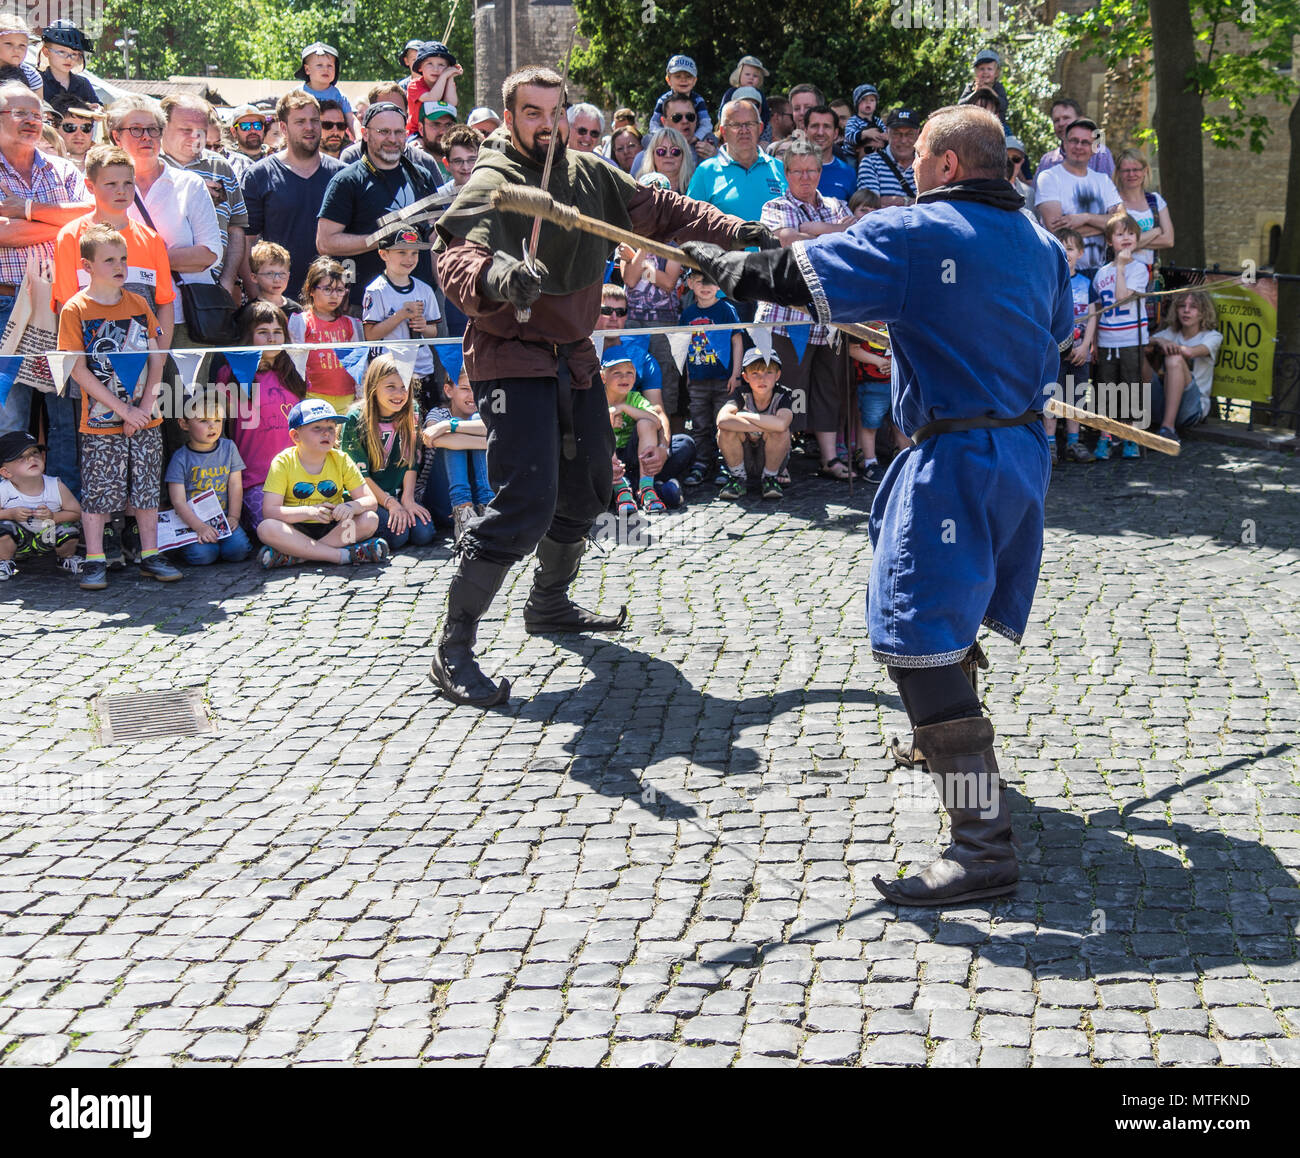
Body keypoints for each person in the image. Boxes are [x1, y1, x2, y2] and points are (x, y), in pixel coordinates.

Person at [683, 104, 1075, 907]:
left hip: (956, 457)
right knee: (952, 599)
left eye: (922, 158)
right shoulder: (1043, 244)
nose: (914, 174)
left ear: (945, 166)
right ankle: (948, 754)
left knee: (917, 633)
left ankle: (981, 842)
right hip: (1022, 451)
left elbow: (801, 276)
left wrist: (730, 266)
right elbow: (1052, 334)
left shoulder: (920, 232)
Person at [431, 64, 763, 707]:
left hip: (575, 355)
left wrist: (737, 233)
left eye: (556, 113)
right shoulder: (492, 180)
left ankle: (548, 604)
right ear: (509, 116)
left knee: (587, 491)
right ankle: (455, 648)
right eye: (533, 113)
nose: (548, 126)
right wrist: (500, 281)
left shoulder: (586, 173)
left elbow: (662, 207)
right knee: (525, 501)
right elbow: (456, 262)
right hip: (511, 355)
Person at [59, 222, 183, 590]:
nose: (120, 265)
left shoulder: (139, 304)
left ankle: (150, 554)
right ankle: (95, 558)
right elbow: (78, 370)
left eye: (123, 258)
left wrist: (143, 407)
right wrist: (123, 410)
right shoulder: (75, 309)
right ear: (87, 265)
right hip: (100, 421)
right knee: (99, 491)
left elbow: (156, 358)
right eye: (109, 259)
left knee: (145, 487)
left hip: (146, 417)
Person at [0, 81, 90, 494]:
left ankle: (67, 515)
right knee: (9, 417)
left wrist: (26, 215)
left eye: (37, 114)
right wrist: (55, 224)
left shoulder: (66, 170)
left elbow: (86, 220)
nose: (32, 121)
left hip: (61, 309)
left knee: (65, 418)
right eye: (20, 113)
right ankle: (10, 517)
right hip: (5, 306)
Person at [755, 135, 854, 481]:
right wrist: (831, 235)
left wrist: (813, 231)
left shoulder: (836, 204)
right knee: (785, 391)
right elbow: (785, 240)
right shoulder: (774, 207)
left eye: (812, 170)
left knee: (828, 388)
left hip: (830, 317)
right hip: (787, 317)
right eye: (798, 171)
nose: (806, 177)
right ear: (786, 173)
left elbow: (853, 241)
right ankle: (778, 462)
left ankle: (829, 459)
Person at [108, 96, 221, 350]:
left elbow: (210, 253)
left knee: (182, 391)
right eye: (136, 129)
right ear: (116, 137)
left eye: (153, 129)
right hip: (121, 316)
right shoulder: (104, 187)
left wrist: (136, 260)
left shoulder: (189, 184)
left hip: (184, 316)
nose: (146, 137)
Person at [317, 101, 439, 312]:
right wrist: (380, 238)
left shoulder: (422, 176)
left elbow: (435, 236)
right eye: (383, 132)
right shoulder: (347, 181)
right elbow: (325, 242)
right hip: (366, 304)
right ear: (365, 133)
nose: (392, 139)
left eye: (399, 132)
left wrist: (442, 286)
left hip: (423, 300)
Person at [52, 146, 175, 344]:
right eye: (111, 183)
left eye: (128, 183)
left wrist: (159, 358)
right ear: (90, 186)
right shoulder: (69, 236)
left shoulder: (151, 239)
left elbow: (165, 304)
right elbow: (64, 305)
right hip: (90, 360)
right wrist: (78, 365)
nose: (121, 190)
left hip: (143, 359)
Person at [257, 397, 388, 568]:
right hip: (296, 528)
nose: (326, 433)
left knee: (369, 519)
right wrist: (309, 512)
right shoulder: (283, 462)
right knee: (266, 528)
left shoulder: (341, 459)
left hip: (334, 528)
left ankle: (299, 555)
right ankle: (341, 555)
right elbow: (270, 511)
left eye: (331, 428)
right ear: (296, 436)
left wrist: (351, 507)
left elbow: (369, 501)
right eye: (317, 428)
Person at [240, 91, 344, 299]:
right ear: (283, 128)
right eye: (300, 121)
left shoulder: (342, 175)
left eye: (315, 121)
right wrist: (257, 298)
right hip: (279, 299)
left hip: (331, 302)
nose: (309, 127)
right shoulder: (259, 175)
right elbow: (246, 243)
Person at [224, 302, 306, 532]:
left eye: (277, 332)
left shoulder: (296, 372)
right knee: (271, 528)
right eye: (263, 332)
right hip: (255, 478)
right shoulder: (230, 374)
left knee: (313, 521)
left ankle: (302, 551)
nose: (272, 339)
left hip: (298, 474)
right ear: (248, 336)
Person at [340, 354, 436, 551]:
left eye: (404, 387)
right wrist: (390, 503)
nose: (399, 394)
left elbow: (411, 461)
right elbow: (359, 476)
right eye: (390, 387)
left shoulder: (412, 410)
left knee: (423, 534)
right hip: (367, 498)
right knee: (398, 536)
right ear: (374, 387)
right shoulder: (355, 418)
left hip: (398, 493)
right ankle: (361, 540)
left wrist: (407, 499)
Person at [161, 96, 247, 304]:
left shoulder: (220, 166)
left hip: (211, 293)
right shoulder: (148, 166)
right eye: (186, 129)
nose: (195, 137)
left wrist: (227, 282)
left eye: (201, 130)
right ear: (162, 126)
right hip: (160, 288)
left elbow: (236, 228)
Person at [164, 391, 254, 565]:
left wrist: (234, 516)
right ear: (184, 424)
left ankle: (222, 544)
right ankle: (188, 549)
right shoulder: (180, 458)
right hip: (193, 523)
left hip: (224, 519)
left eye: (217, 420)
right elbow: (178, 501)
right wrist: (199, 527)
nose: (212, 426)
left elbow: (235, 485)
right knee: (203, 556)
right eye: (204, 420)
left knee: (238, 550)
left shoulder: (229, 448)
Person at [1090, 212, 1149, 461]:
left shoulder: (1139, 269)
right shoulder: (1101, 273)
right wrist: (1093, 342)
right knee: (1106, 389)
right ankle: (1106, 435)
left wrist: (1122, 267)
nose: (1126, 238)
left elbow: (1123, 296)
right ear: (1109, 241)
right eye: (1120, 234)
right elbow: (1097, 310)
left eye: (1131, 233)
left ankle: (1131, 438)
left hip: (1130, 339)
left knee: (1131, 387)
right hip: (1106, 340)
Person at [680, 265, 743, 488]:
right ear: (689, 284)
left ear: (719, 285)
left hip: (723, 378)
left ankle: (727, 463)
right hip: (697, 379)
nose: (705, 287)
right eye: (699, 281)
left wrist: (736, 374)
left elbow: (737, 341)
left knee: (724, 423)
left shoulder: (726, 310)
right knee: (700, 424)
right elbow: (684, 346)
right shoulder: (687, 314)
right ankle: (702, 462)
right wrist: (688, 375)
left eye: (710, 282)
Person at [1035, 118, 1122, 280]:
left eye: (1085, 142)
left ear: (1094, 148)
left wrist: (1084, 218)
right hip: (1062, 271)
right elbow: (1057, 232)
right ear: (1065, 144)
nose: (1079, 147)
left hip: (1099, 272)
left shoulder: (1103, 180)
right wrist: (1105, 228)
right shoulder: (1049, 178)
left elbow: (1121, 223)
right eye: (1074, 141)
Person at [601, 346, 684, 514]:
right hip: (606, 459)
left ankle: (645, 487)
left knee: (682, 442)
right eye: (617, 372)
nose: (624, 377)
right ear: (603, 376)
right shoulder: (597, 398)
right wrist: (606, 419)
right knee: (598, 427)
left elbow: (656, 420)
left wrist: (624, 408)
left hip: (636, 457)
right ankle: (623, 488)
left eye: (630, 372)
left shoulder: (634, 398)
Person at [362, 225, 440, 397]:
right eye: (402, 252)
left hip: (422, 369)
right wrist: (400, 315)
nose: (409, 259)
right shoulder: (376, 291)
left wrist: (423, 326)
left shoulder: (425, 290)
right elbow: (371, 335)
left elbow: (433, 331)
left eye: (415, 253)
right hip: (390, 373)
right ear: (384, 254)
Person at [686, 99, 786, 225]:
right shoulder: (705, 172)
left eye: (749, 124)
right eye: (736, 125)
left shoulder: (780, 168)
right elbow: (689, 223)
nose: (744, 130)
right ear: (723, 131)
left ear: (760, 128)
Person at [421, 369, 491, 544]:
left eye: (477, 387)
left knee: (472, 422)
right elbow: (432, 438)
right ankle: (462, 511)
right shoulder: (438, 414)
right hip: (443, 499)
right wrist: (488, 441)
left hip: (478, 494)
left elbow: (496, 431)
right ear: (449, 390)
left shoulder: (485, 414)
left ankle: (487, 508)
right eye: (465, 388)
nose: (473, 395)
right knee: (449, 442)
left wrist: (449, 426)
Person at [716, 347, 795, 501]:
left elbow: (781, 425)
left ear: (778, 375)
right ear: (745, 377)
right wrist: (766, 424)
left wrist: (744, 416)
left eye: (768, 372)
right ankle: (738, 478)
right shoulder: (740, 393)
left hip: (770, 458)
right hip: (743, 456)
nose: (762, 379)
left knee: (781, 432)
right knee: (725, 431)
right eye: (755, 373)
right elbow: (722, 420)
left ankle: (770, 479)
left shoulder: (784, 394)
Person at [0, 430, 82, 578]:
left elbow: (77, 512)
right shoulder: (4, 489)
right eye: (21, 457)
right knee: (3, 529)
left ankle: (65, 558)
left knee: (69, 531)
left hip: (47, 537)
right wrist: (10, 514)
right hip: (18, 542)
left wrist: (53, 516)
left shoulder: (55, 485)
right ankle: (4, 561)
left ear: (43, 457)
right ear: (6, 473)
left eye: (35, 452)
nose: (31, 458)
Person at [288, 256, 365, 413]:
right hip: (312, 396)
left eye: (340, 290)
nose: (334, 296)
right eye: (327, 289)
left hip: (347, 398)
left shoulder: (351, 324)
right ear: (311, 289)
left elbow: (360, 365)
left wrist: (360, 395)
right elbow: (294, 364)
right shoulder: (301, 322)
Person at [1045, 228, 1096, 464]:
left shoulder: (1087, 283)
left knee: (1075, 397)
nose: (1066, 253)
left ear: (1081, 252)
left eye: (1071, 248)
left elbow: (1093, 316)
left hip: (1079, 352)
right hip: (1055, 353)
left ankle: (1074, 442)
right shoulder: (1049, 281)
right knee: (1052, 397)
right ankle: (1050, 444)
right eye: (1061, 247)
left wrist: (1086, 345)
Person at [1147, 291, 1222, 442]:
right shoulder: (1171, 333)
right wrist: (1159, 342)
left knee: (1174, 359)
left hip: (1192, 408)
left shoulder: (1212, 336)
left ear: (1203, 313)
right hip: (1162, 402)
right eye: (1182, 306)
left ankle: (1168, 429)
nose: (1186, 310)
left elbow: (1190, 352)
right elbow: (1144, 342)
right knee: (1135, 353)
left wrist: (1167, 345)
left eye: (1193, 307)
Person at [1033, 97, 1116, 184]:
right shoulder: (1047, 161)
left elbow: (1109, 191)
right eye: (1056, 120)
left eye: (1066, 118)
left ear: (1080, 120)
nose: (1061, 124)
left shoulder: (1100, 155)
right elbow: (1036, 193)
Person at [649, 55, 715, 148]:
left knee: (712, 139)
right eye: (678, 76)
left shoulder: (698, 100)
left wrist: (696, 137)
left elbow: (706, 124)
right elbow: (654, 124)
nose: (683, 80)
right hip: (668, 139)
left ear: (695, 80)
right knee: (647, 141)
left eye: (688, 76)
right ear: (668, 80)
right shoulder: (663, 100)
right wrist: (665, 137)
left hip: (693, 139)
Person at [856, 108, 919, 206]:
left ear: (918, 134)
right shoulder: (871, 163)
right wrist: (912, 201)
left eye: (909, 134)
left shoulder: (926, 164)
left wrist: (887, 200)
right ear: (887, 132)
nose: (903, 140)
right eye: (897, 134)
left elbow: (933, 204)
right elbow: (869, 205)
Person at [296, 42, 355, 135]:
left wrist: (360, 138)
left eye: (330, 65)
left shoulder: (339, 97)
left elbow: (351, 120)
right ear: (307, 69)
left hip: (333, 142)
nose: (325, 69)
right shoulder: (296, 95)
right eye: (319, 65)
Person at [404, 41, 461, 136]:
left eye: (441, 65)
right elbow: (433, 98)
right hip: (416, 133)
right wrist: (445, 75)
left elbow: (451, 103)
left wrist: (451, 76)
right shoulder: (414, 85)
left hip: (441, 131)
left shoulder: (447, 84)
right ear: (420, 67)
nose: (435, 69)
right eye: (429, 64)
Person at [38, 20, 97, 109]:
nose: (69, 59)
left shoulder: (83, 84)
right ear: (46, 52)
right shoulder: (36, 81)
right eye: (62, 52)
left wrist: (95, 108)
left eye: (74, 54)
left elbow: (98, 108)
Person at [239, 240, 300, 322]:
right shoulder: (247, 313)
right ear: (254, 277)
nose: (277, 280)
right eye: (269, 274)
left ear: (288, 276)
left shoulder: (297, 311)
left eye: (282, 274)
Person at [804, 106, 855, 201]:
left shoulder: (848, 173)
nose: (820, 132)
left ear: (835, 133)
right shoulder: (791, 169)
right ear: (805, 131)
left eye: (826, 126)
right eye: (815, 126)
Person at [633, 126, 695, 194]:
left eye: (675, 151)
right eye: (661, 151)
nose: (668, 155)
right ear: (652, 155)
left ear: (684, 155)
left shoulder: (695, 186)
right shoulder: (641, 188)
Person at [51, 95, 102, 171]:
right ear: (54, 128)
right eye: (70, 127)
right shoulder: (43, 165)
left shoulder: (105, 162)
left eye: (86, 127)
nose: (79, 135)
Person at [957, 48, 1008, 122]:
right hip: (973, 123)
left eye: (989, 69)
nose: (985, 72)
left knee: (1008, 133)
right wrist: (975, 92)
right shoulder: (971, 87)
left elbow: (1004, 106)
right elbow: (960, 105)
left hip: (997, 125)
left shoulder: (998, 87)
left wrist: (990, 91)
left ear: (996, 73)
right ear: (976, 72)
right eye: (982, 69)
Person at [223, 103, 270, 177]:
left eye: (257, 125)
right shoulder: (227, 163)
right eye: (245, 126)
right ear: (234, 131)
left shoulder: (275, 158)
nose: (253, 131)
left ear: (263, 129)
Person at [436, 124, 481, 196]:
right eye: (458, 161)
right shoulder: (439, 197)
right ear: (447, 164)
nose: (465, 167)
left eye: (472, 160)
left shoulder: (494, 194)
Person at [0, 16, 41, 92]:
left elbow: (38, 102)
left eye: (22, 45)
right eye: (9, 44)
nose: (17, 50)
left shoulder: (31, 75)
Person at [844, 84, 886, 155]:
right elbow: (848, 136)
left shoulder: (878, 121)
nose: (868, 102)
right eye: (863, 99)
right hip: (851, 154)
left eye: (872, 100)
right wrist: (864, 134)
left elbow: (885, 132)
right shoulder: (853, 120)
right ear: (857, 103)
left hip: (875, 151)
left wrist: (885, 136)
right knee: (850, 164)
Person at [1005, 134, 1035, 213]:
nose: (1009, 163)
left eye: (1015, 159)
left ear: (1022, 162)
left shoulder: (1030, 193)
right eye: (1006, 157)